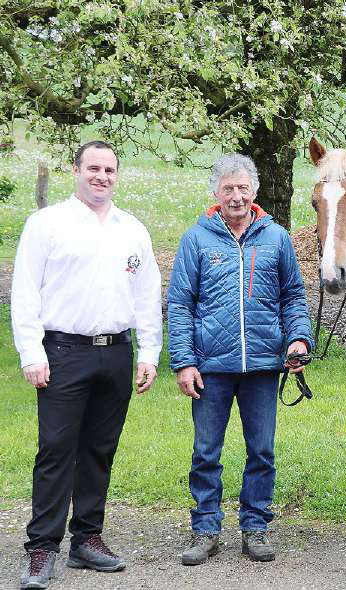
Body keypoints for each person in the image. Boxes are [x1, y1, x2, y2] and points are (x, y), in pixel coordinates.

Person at [11, 141, 163, 589]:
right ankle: (42, 549)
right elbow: (25, 293)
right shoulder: (47, 224)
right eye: (93, 168)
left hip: (115, 352)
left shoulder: (131, 229)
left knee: (99, 450)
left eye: (109, 169)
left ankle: (87, 540)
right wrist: (32, 353)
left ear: (117, 175)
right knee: (56, 451)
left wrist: (149, 353)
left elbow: (146, 296)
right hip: (62, 352)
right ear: (75, 170)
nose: (102, 176)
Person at [167, 154, 313, 566]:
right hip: (210, 368)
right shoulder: (196, 239)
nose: (236, 195)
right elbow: (179, 304)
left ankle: (255, 525)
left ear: (254, 192)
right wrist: (183, 361)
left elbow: (293, 297)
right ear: (216, 193)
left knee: (262, 451)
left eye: (242, 188)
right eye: (228, 188)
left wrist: (298, 339)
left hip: (263, 367)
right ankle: (206, 528)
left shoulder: (276, 238)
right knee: (206, 452)